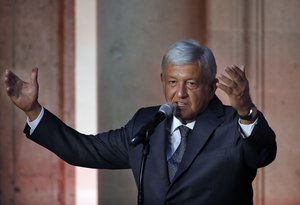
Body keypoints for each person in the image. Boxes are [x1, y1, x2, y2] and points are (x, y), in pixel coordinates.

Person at [4, 39, 276, 205]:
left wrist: (246, 111)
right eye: (172, 82)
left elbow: (263, 153)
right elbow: (84, 150)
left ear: (212, 86)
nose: (179, 94)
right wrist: (34, 111)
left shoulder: (233, 124)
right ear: (162, 82)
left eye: (191, 83)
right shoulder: (147, 122)